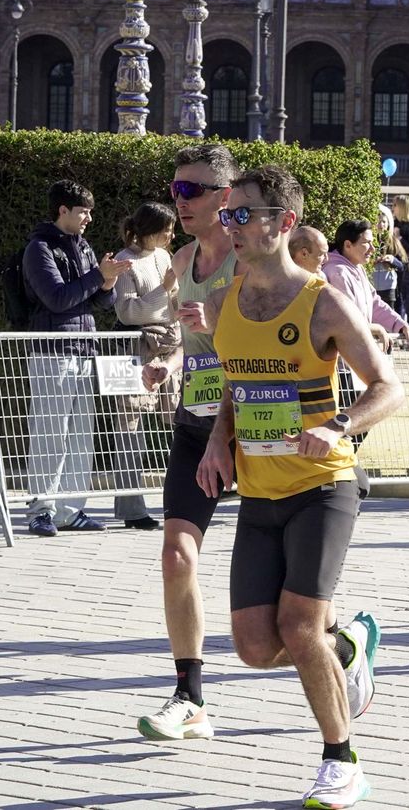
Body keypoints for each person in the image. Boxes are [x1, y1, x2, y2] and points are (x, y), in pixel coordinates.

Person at [191, 165, 399, 808]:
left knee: (299, 626)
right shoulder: (225, 301)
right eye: (228, 214)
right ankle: (351, 645)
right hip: (258, 492)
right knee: (255, 646)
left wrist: (339, 426)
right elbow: (236, 383)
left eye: (243, 215)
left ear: (282, 224)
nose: (231, 226)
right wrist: (216, 441)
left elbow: (388, 387)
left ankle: (342, 762)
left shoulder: (322, 301)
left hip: (322, 487)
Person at [135, 145, 241, 743]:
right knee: (176, 555)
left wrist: (216, 329)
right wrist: (169, 362)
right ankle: (189, 696)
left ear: (225, 198)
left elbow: (264, 349)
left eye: (191, 191)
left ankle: (342, 644)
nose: (180, 202)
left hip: (253, 428)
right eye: (175, 190)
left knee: (282, 600)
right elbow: (185, 340)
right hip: (196, 425)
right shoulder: (180, 257)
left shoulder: (253, 261)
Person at [22, 179, 134, 536]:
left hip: (84, 348)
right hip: (52, 350)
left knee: (81, 434)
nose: (89, 218)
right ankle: (41, 509)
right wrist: (97, 276)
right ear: (63, 211)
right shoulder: (39, 249)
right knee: (50, 434)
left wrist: (107, 284)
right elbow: (56, 298)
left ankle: (70, 511)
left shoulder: (84, 247)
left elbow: (99, 302)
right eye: (83, 211)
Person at [111, 201, 181, 532]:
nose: (171, 234)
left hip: (170, 344)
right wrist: (164, 290)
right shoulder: (124, 262)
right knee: (129, 426)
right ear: (148, 229)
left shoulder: (165, 257)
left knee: (179, 420)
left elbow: (175, 300)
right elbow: (127, 313)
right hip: (133, 348)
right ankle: (132, 506)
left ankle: (182, 497)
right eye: (165, 229)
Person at [323, 221, 409, 352]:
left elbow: (374, 303)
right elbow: (347, 320)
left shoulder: (356, 267)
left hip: (356, 355)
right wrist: (377, 329)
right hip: (344, 360)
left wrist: (401, 325)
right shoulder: (337, 273)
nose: (372, 248)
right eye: (366, 243)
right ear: (348, 245)